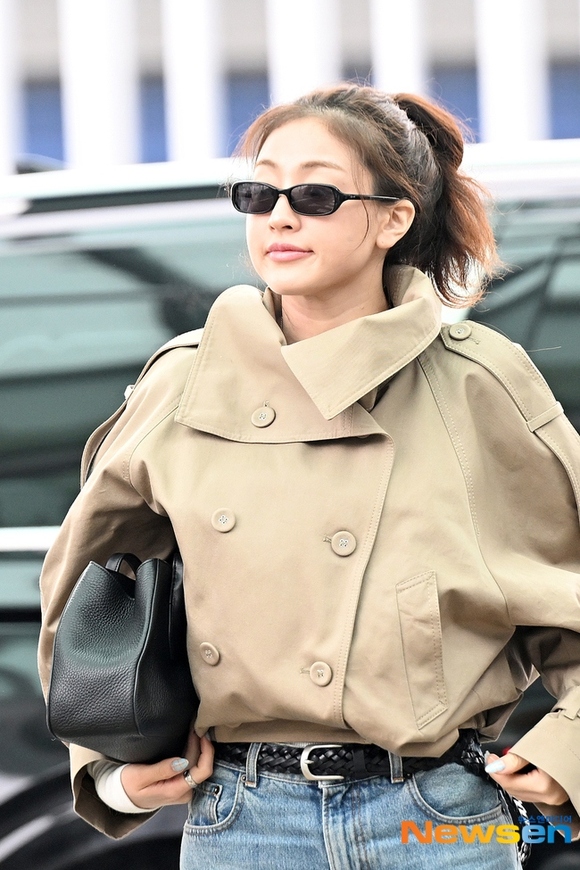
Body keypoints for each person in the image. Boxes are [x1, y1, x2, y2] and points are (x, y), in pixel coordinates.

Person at [38, 83, 580, 870]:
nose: (280, 217)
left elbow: (568, 579)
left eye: (316, 195)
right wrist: (109, 768)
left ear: (393, 220)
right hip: (242, 817)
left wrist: (570, 751)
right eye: (260, 194)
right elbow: (89, 587)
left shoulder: (479, 382)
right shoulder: (187, 380)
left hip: (439, 816)